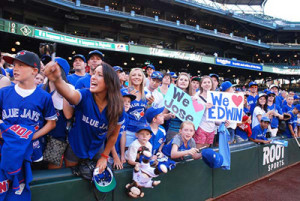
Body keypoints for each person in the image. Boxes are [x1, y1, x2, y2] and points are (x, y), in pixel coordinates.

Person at [45, 60, 124, 173]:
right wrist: (57, 79)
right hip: (75, 146)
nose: (93, 77)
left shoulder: (118, 107)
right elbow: (70, 94)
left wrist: (104, 157)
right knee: (71, 177)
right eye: (94, 73)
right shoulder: (85, 94)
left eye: (100, 75)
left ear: (110, 82)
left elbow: (113, 136)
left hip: (97, 148)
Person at [0, 50, 57, 200]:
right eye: (13, 65)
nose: (15, 68)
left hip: (31, 151)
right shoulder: (4, 92)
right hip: (5, 149)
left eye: (21, 65)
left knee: (22, 189)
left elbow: (51, 123)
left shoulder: (44, 96)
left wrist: (30, 137)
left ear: (34, 71)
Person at [43, 57, 74, 169]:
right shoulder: (42, 87)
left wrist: (64, 92)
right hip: (42, 134)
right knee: (40, 167)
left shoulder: (69, 88)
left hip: (58, 135)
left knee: (53, 168)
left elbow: (68, 115)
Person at [109, 88, 135, 170]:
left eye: (129, 102)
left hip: (116, 150)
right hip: (106, 151)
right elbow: (109, 138)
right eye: (124, 101)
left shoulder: (126, 116)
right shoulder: (112, 115)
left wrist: (122, 154)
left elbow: (123, 135)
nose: (127, 104)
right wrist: (115, 156)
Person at [126, 68, 152, 147]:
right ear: (130, 78)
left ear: (143, 78)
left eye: (139, 75)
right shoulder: (125, 91)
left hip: (142, 132)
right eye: (133, 75)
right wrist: (128, 97)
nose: (136, 77)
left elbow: (146, 113)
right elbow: (120, 111)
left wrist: (150, 104)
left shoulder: (146, 93)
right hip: (128, 130)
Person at [166, 72, 191, 142]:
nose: (183, 81)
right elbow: (163, 115)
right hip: (173, 131)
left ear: (189, 83)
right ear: (177, 82)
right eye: (181, 79)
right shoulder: (170, 95)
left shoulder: (192, 98)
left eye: (186, 80)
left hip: (187, 133)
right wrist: (169, 115)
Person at [193, 76, 216, 148]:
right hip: (201, 126)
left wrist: (223, 121)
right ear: (201, 85)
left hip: (212, 129)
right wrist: (203, 107)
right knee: (198, 150)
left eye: (209, 82)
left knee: (206, 151)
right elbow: (194, 112)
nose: (207, 84)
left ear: (211, 84)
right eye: (204, 82)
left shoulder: (216, 97)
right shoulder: (196, 97)